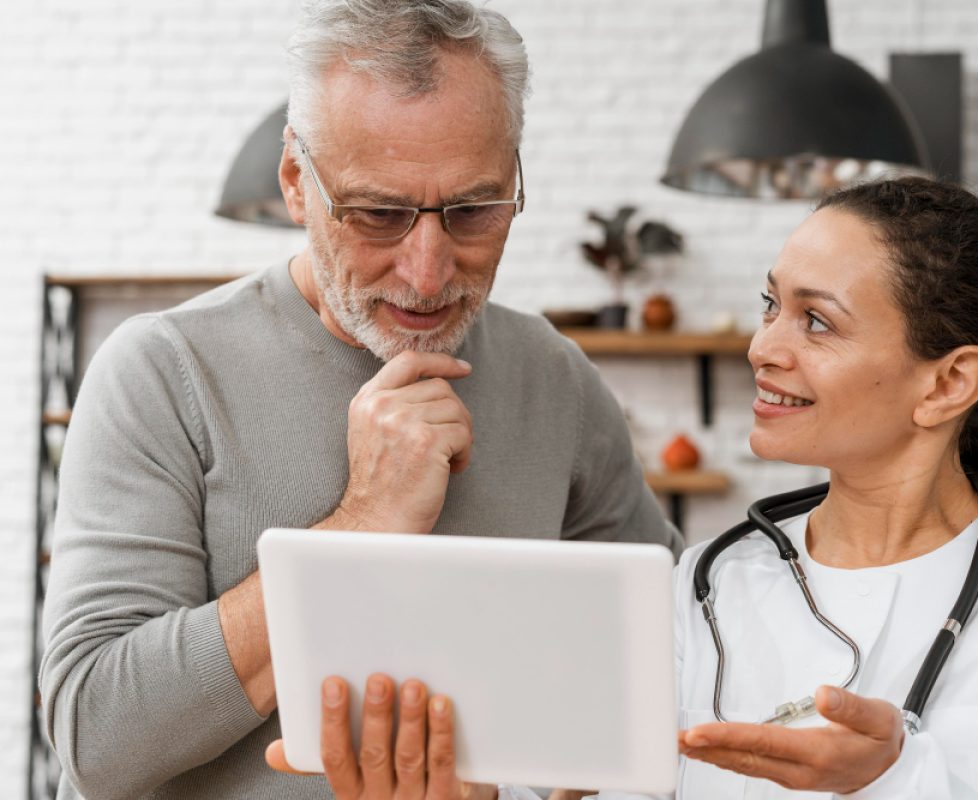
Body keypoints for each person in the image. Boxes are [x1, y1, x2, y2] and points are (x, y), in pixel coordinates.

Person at [287, 177, 978, 799]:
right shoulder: (711, 581)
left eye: (816, 322)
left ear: (947, 383)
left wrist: (892, 777)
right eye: (770, 304)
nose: (763, 347)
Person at [38, 1, 681, 798]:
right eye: (378, 214)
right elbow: (96, 739)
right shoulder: (162, 372)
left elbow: (668, 654)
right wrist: (362, 525)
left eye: (474, 211)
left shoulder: (554, 377)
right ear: (295, 182)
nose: (428, 271)